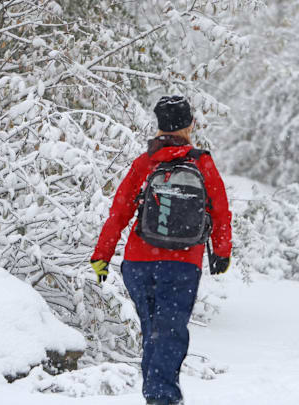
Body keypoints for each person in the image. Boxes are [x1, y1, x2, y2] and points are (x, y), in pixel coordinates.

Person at [90, 96, 232, 405]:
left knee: (153, 330)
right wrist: (221, 252)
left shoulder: (145, 163)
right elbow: (220, 210)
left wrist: (102, 256)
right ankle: (162, 396)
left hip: (139, 262)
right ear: (190, 124)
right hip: (182, 264)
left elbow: (120, 211)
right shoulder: (201, 162)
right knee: (170, 331)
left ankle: (156, 394)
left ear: (159, 126)